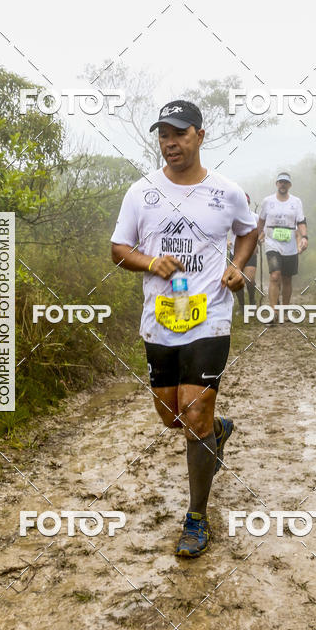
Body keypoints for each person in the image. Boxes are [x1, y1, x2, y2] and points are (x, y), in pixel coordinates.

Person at [110, 100, 258, 558]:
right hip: (160, 320)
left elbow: (249, 230)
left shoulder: (227, 191)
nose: (170, 143)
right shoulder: (141, 192)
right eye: (163, 135)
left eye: (179, 134)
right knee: (172, 416)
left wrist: (237, 266)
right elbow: (118, 249)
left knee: (193, 414)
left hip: (210, 316)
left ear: (199, 134)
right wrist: (151, 260)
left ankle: (196, 517)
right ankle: (216, 430)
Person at [257, 172, 308, 316]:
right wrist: (256, 239)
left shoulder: (296, 202)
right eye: (280, 182)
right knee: (275, 275)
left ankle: (284, 309)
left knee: (286, 278)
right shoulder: (267, 201)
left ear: (289, 185)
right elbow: (261, 222)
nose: (283, 184)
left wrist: (304, 237)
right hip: (272, 242)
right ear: (276, 184)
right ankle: (273, 311)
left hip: (290, 243)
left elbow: (301, 222)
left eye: (286, 182)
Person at [235, 193, 258, 314]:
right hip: (235, 252)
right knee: (238, 280)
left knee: (249, 279)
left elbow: (261, 232)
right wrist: (227, 241)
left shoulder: (255, 217)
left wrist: (258, 241)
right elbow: (225, 231)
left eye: (246, 202)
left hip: (250, 252)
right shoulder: (231, 216)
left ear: (248, 203)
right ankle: (242, 306)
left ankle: (252, 301)